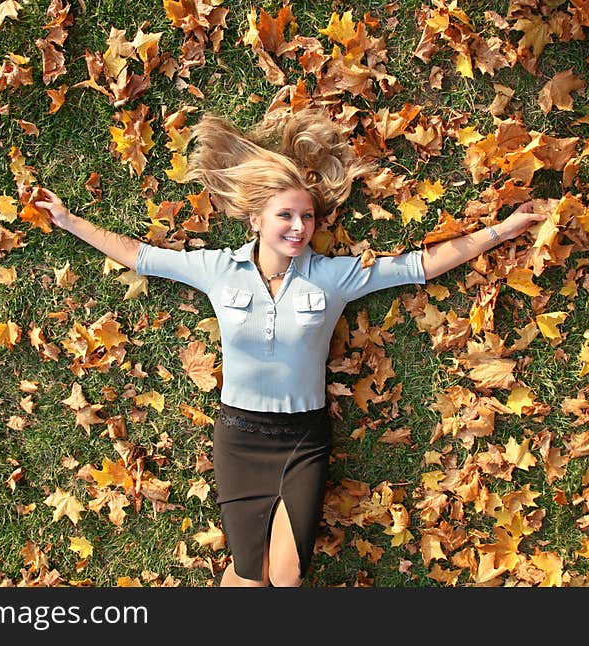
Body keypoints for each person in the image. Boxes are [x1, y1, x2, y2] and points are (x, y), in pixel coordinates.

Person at [36, 107, 543, 587]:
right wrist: (68, 220)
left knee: (286, 576)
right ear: (256, 219)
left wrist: (503, 229)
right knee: (252, 575)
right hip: (239, 437)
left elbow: (418, 266)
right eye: (286, 215)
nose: (300, 227)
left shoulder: (332, 277)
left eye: (308, 216)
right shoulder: (216, 269)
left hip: (303, 438)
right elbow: (142, 256)